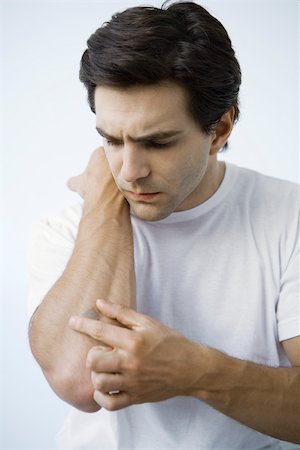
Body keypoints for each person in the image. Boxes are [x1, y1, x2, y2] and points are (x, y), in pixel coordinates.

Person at [28, 1, 300, 449]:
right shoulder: (65, 229)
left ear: (220, 129)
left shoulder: (289, 219)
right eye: (111, 140)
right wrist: (104, 205)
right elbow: (80, 385)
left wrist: (196, 371)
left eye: (156, 142)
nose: (129, 170)